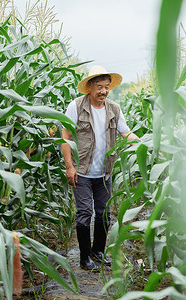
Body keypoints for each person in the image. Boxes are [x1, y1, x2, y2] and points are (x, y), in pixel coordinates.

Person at [62, 65, 139, 271]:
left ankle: (98, 251)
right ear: (89, 87)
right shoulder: (76, 106)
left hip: (104, 172)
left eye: (106, 87)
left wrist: (145, 145)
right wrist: (69, 167)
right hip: (82, 171)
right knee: (85, 212)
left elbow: (126, 133)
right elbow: (66, 138)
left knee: (104, 213)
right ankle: (84, 257)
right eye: (99, 86)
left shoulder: (114, 109)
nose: (104, 91)